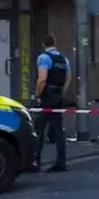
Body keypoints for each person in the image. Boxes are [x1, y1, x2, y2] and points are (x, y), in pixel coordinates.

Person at [33, 35, 71, 173]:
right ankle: (61, 162)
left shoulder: (44, 58)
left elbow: (42, 79)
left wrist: (37, 95)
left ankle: (35, 161)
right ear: (55, 43)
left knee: (38, 128)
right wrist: (61, 93)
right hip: (58, 96)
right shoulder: (64, 59)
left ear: (44, 44)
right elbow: (68, 79)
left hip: (47, 96)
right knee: (58, 129)